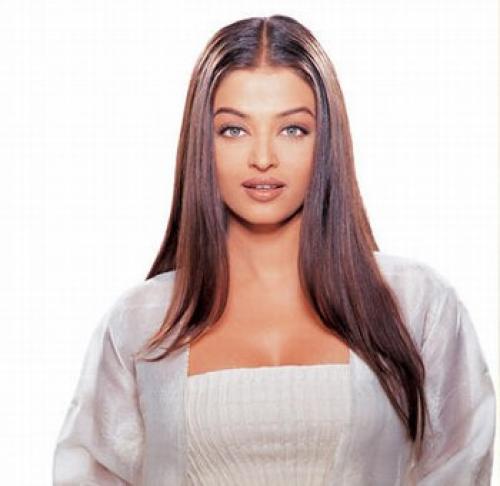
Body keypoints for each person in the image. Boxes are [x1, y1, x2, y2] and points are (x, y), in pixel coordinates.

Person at [52, 14, 496, 485]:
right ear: (202, 143)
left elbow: (461, 464)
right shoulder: (142, 322)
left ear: (327, 141)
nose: (263, 158)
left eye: (293, 130)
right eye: (233, 130)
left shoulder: (414, 305)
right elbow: (89, 473)